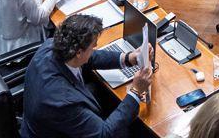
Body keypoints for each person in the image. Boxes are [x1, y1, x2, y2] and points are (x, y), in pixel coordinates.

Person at [21, 12, 153, 138]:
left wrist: (127, 58)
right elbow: (103, 134)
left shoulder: (52, 46)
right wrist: (135, 91)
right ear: (79, 52)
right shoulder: (63, 102)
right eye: (93, 46)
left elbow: (90, 57)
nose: (94, 48)